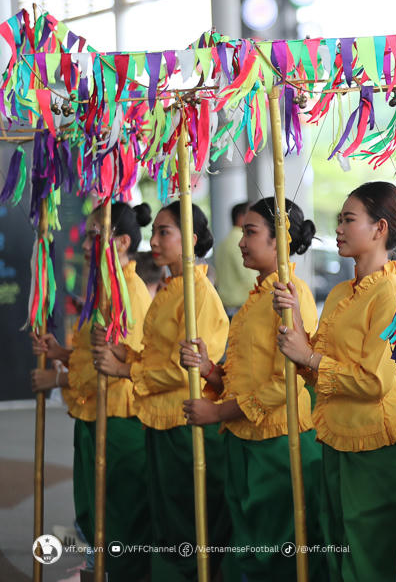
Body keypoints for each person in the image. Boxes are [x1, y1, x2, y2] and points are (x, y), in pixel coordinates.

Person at [273, 181, 396, 581]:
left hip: (375, 450)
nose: (339, 228)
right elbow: (318, 366)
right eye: (340, 219)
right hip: (336, 440)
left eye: (349, 219)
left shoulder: (392, 294)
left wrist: (308, 356)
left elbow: (373, 382)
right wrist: (295, 321)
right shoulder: (340, 294)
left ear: (380, 229)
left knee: (370, 558)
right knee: (339, 544)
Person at [179, 197, 322, 581]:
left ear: (279, 240)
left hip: (278, 444)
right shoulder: (257, 297)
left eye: (251, 233)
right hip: (245, 439)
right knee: (249, 545)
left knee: (276, 553)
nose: (241, 242)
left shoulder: (292, 297)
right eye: (243, 233)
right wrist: (210, 370)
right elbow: (245, 377)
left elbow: (286, 382)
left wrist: (217, 412)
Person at [93, 201, 232, 581]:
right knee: (167, 522)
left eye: (164, 232)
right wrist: (124, 352)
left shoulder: (198, 293)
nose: (153, 241)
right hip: (160, 421)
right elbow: (158, 355)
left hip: (185, 423)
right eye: (153, 232)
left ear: (192, 238)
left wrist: (124, 369)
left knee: (186, 525)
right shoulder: (172, 289)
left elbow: (182, 369)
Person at [30, 202, 154, 581]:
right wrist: (61, 354)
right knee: (94, 512)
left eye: (94, 236)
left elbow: (116, 365)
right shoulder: (103, 287)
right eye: (86, 236)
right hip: (94, 415)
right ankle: (97, 569)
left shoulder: (129, 292)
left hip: (119, 420)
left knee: (119, 517)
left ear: (122, 242)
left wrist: (58, 380)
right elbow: (92, 357)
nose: (85, 245)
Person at [214, 201, 257, 317]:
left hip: (227, 307)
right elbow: (249, 277)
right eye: (251, 215)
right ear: (241, 217)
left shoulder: (224, 242)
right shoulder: (241, 241)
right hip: (241, 308)